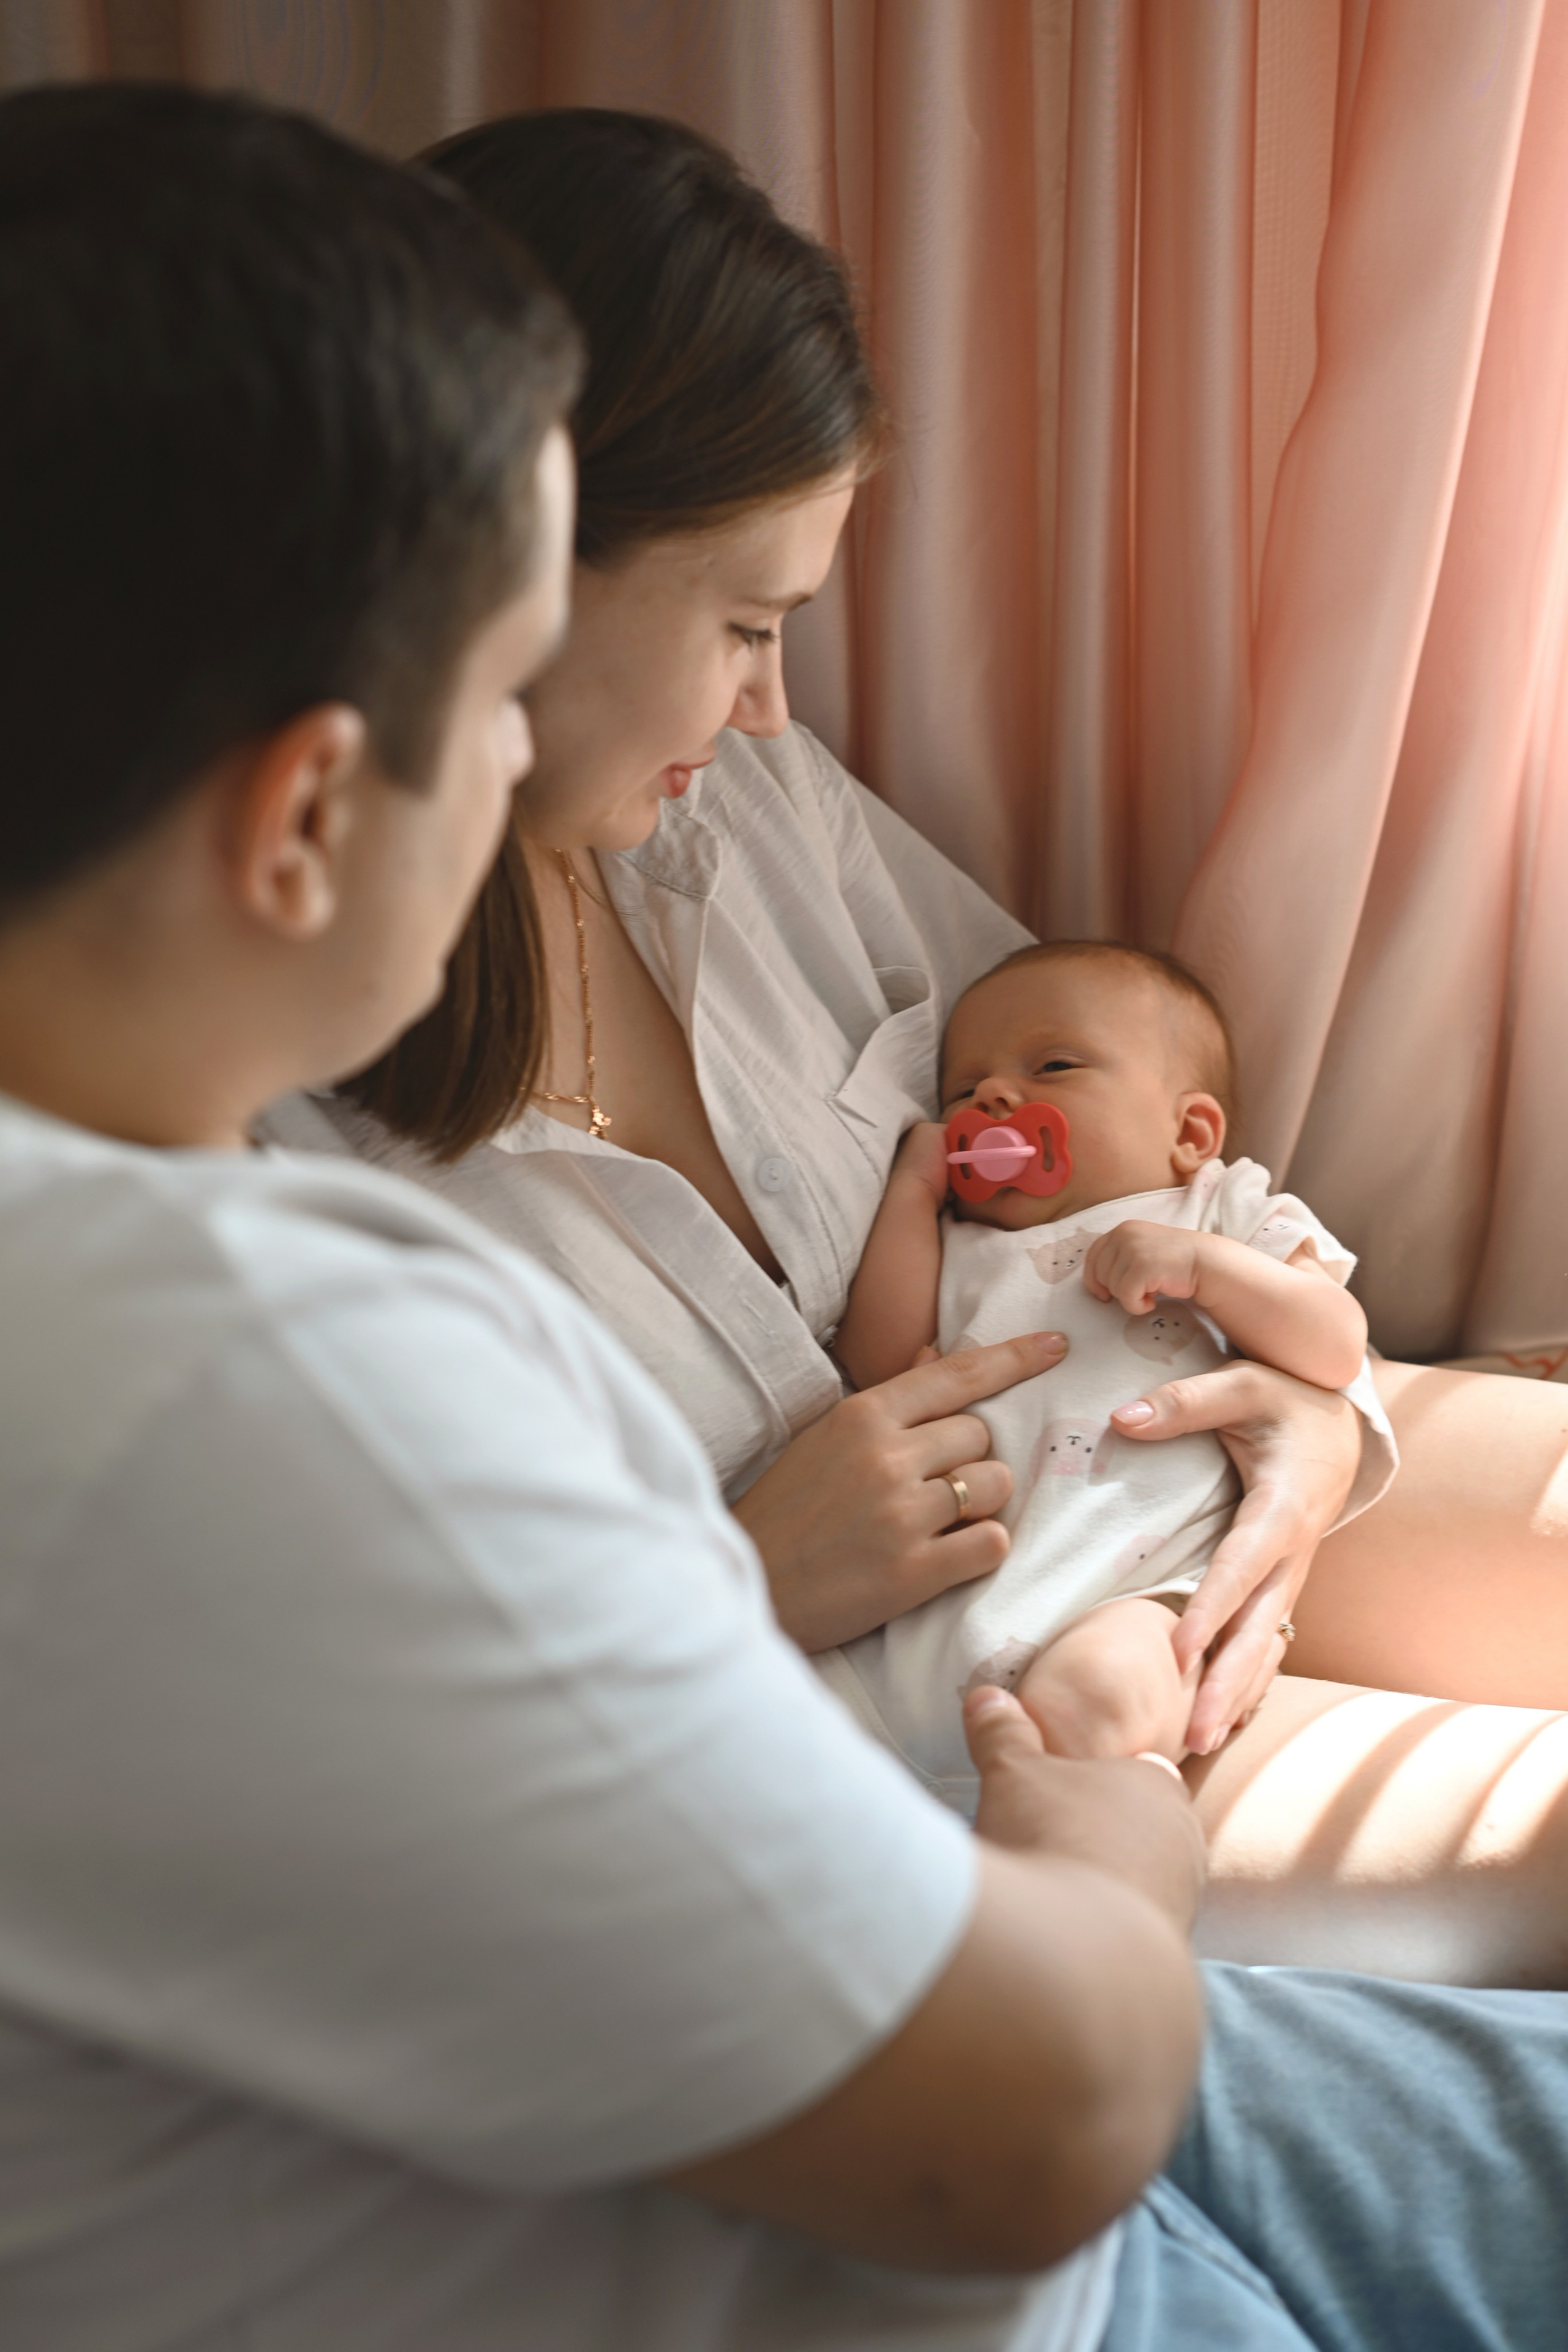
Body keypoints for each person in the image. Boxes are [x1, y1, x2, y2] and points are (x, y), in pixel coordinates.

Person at [7, 75, 1568, 2352]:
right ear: (315, 803)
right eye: (493, 675)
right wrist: (1110, 1831)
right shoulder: (289, 1363)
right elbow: (1020, 2122)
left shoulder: (242, 1299)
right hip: (978, 2095)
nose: (604, 783)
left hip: (963, 2027)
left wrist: (1309, 1390)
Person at [263, 107, 1568, 1980]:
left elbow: (1110, 1096)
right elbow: (336, 1763)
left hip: (1148, 1442)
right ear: (505, 571)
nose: (779, 699)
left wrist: (1308, 1414)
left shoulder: (739, 810)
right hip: (955, 1695)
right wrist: (742, 1579)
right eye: (742, 624)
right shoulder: (255, 1111)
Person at [829, 940, 1368, 1789]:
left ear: (1190, 1133)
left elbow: (1334, 1344)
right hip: (934, 1609)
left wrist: (1206, 1267)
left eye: (1053, 1066)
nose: (996, 1096)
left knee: (1096, 1700)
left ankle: (1078, 1840)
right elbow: (882, 1361)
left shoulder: (1221, 1205)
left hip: (1136, 1590)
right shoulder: (964, 1243)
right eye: (965, 1090)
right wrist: (913, 1194)